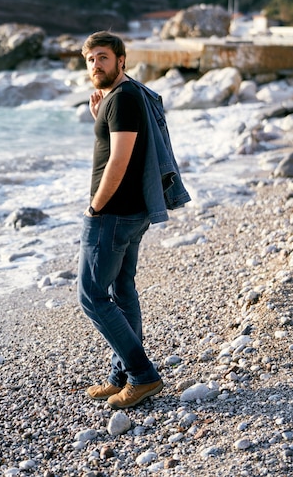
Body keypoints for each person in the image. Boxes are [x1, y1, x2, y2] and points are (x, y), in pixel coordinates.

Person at [77, 30, 190, 410]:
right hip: (133, 210)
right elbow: (120, 143)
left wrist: (95, 207)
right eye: (91, 59)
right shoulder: (123, 96)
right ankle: (122, 375)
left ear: (121, 60)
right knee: (122, 291)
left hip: (114, 213)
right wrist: (100, 115)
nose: (96, 65)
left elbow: (120, 160)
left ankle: (143, 376)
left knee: (92, 295)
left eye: (103, 57)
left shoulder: (123, 99)